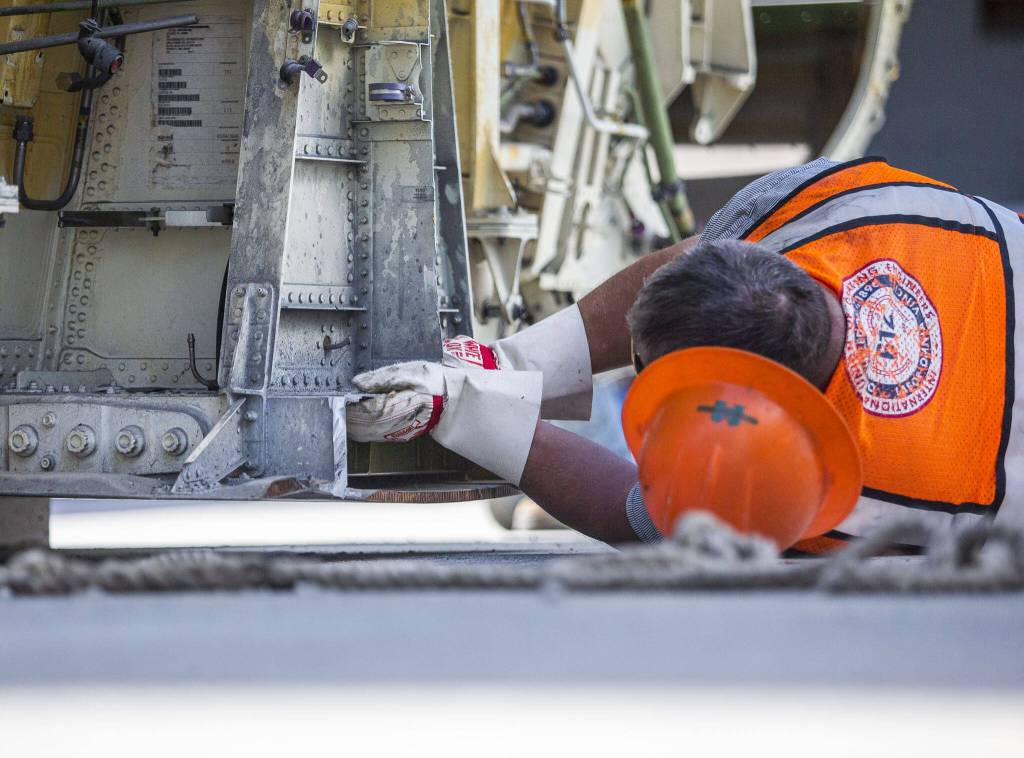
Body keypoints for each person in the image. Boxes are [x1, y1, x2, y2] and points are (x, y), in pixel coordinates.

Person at [347, 157, 1024, 550]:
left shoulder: (822, 486)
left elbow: (636, 513)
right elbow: (702, 252)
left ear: (741, 407)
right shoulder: (833, 209)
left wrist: (465, 415)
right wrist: (509, 367)